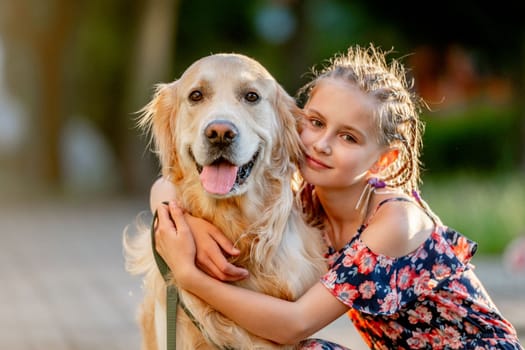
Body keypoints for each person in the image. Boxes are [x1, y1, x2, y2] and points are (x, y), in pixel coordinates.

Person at [152, 45, 523, 349]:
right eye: (315, 123)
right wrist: (183, 222)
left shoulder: (396, 221)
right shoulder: (312, 194)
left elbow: (293, 326)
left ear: (385, 159)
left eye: (349, 137)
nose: (323, 145)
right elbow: (171, 182)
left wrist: (188, 274)